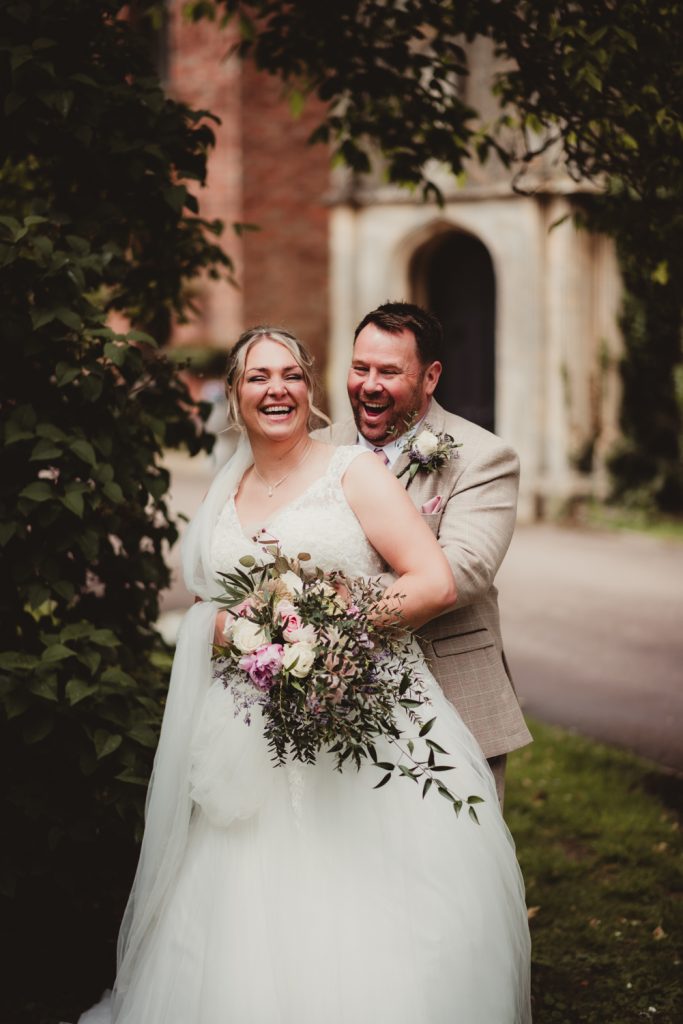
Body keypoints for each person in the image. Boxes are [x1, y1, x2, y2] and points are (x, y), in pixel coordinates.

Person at [79, 326, 531, 1024]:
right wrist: (247, 632)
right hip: (251, 735)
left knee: (379, 906)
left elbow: (434, 580)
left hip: (367, 719)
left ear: (310, 389)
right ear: (234, 394)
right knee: (246, 911)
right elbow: (209, 608)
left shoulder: (352, 472)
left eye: (290, 375)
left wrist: (325, 634)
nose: (276, 389)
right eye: (258, 377)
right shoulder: (225, 486)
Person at [314, 302, 532, 803]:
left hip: (448, 697)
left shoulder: (482, 458)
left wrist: (327, 619)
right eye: (360, 367)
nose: (369, 385)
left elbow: (464, 570)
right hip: (328, 703)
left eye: (389, 372)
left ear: (430, 377)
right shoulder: (319, 449)